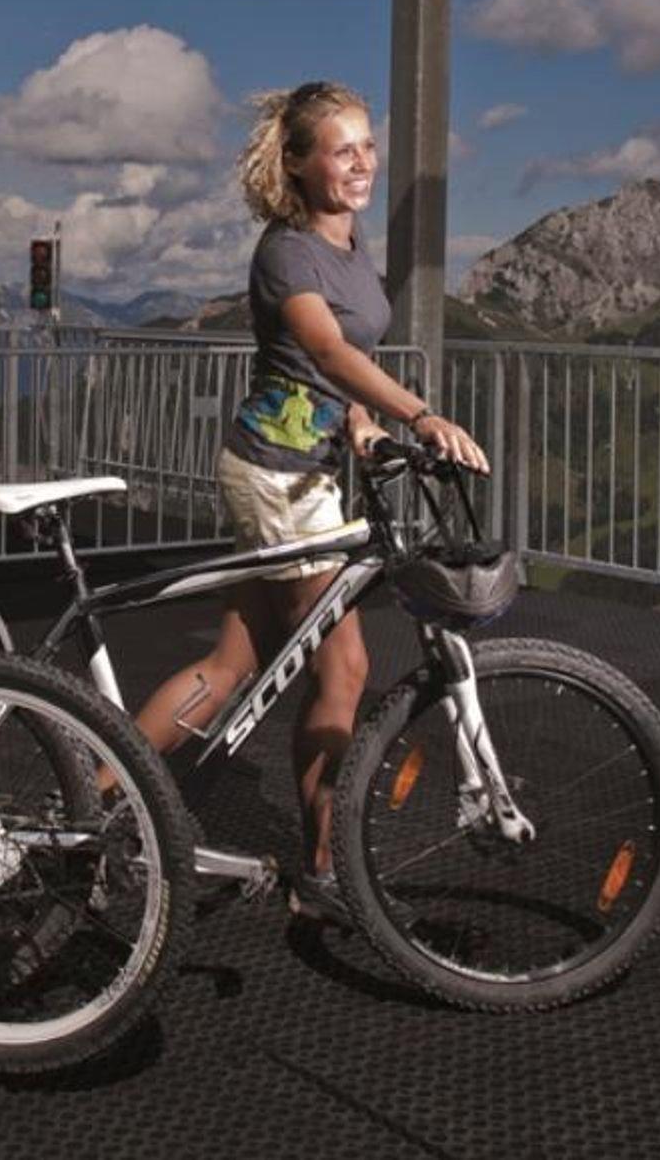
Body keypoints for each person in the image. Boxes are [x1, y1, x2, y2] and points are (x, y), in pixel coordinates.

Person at [127, 81, 487, 921]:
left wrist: (360, 423)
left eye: (368, 146)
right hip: (278, 474)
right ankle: (323, 871)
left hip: (308, 469)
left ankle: (95, 782)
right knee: (345, 665)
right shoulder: (286, 251)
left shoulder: (349, 245)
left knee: (231, 666)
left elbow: (335, 361)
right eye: (340, 150)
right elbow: (322, 348)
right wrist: (421, 415)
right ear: (297, 164)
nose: (361, 164)